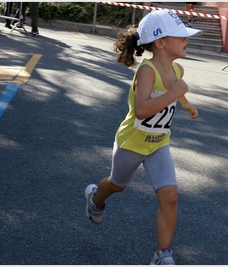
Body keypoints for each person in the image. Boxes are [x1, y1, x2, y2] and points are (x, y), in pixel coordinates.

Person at [84, 9, 201, 265]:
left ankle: (163, 255)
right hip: (132, 143)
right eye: (180, 36)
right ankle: (95, 200)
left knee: (170, 195)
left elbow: (175, 90)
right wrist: (175, 94)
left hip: (159, 143)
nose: (186, 39)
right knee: (117, 185)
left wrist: (185, 103)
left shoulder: (177, 69)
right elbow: (143, 109)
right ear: (160, 42)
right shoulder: (147, 71)